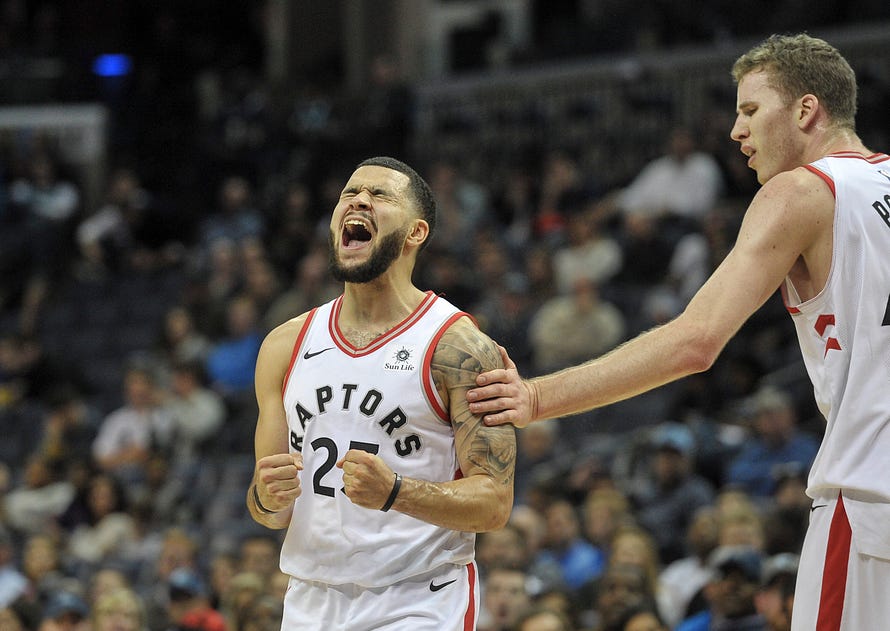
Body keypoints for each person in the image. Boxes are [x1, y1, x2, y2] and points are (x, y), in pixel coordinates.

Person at [468, 33, 890, 631]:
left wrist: (535, 397)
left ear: (805, 110)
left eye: (750, 110)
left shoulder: (802, 190)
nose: (736, 131)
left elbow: (696, 341)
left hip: (870, 495)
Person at [247, 156, 515, 630]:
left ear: (416, 233)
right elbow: (269, 508)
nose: (359, 201)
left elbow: (493, 502)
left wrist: (396, 492)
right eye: (350, 193)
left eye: (380, 195)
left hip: (418, 597)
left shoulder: (458, 347)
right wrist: (266, 498)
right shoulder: (284, 345)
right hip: (311, 598)